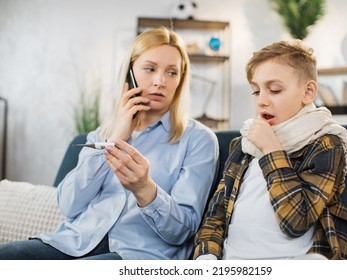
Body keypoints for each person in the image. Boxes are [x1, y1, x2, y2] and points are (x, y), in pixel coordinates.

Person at [0, 27, 218, 260]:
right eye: (150, 69)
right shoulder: (100, 135)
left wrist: (145, 188)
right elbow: (68, 205)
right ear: (129, 74)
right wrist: (113, 139)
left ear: (181, 80)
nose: (160, 81)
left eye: (172, 73)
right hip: (74, 242)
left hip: (137, 255)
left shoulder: (199, 140)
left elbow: (183, 231)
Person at [193, 40, 347, 260]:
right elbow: (216, 215)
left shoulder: (325, 142)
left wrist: (271, 150)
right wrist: (206, 258)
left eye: (274, 90)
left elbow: (296, 221)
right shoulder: (243, 144)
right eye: (255, 91)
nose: (261, 101)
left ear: (308, 92)